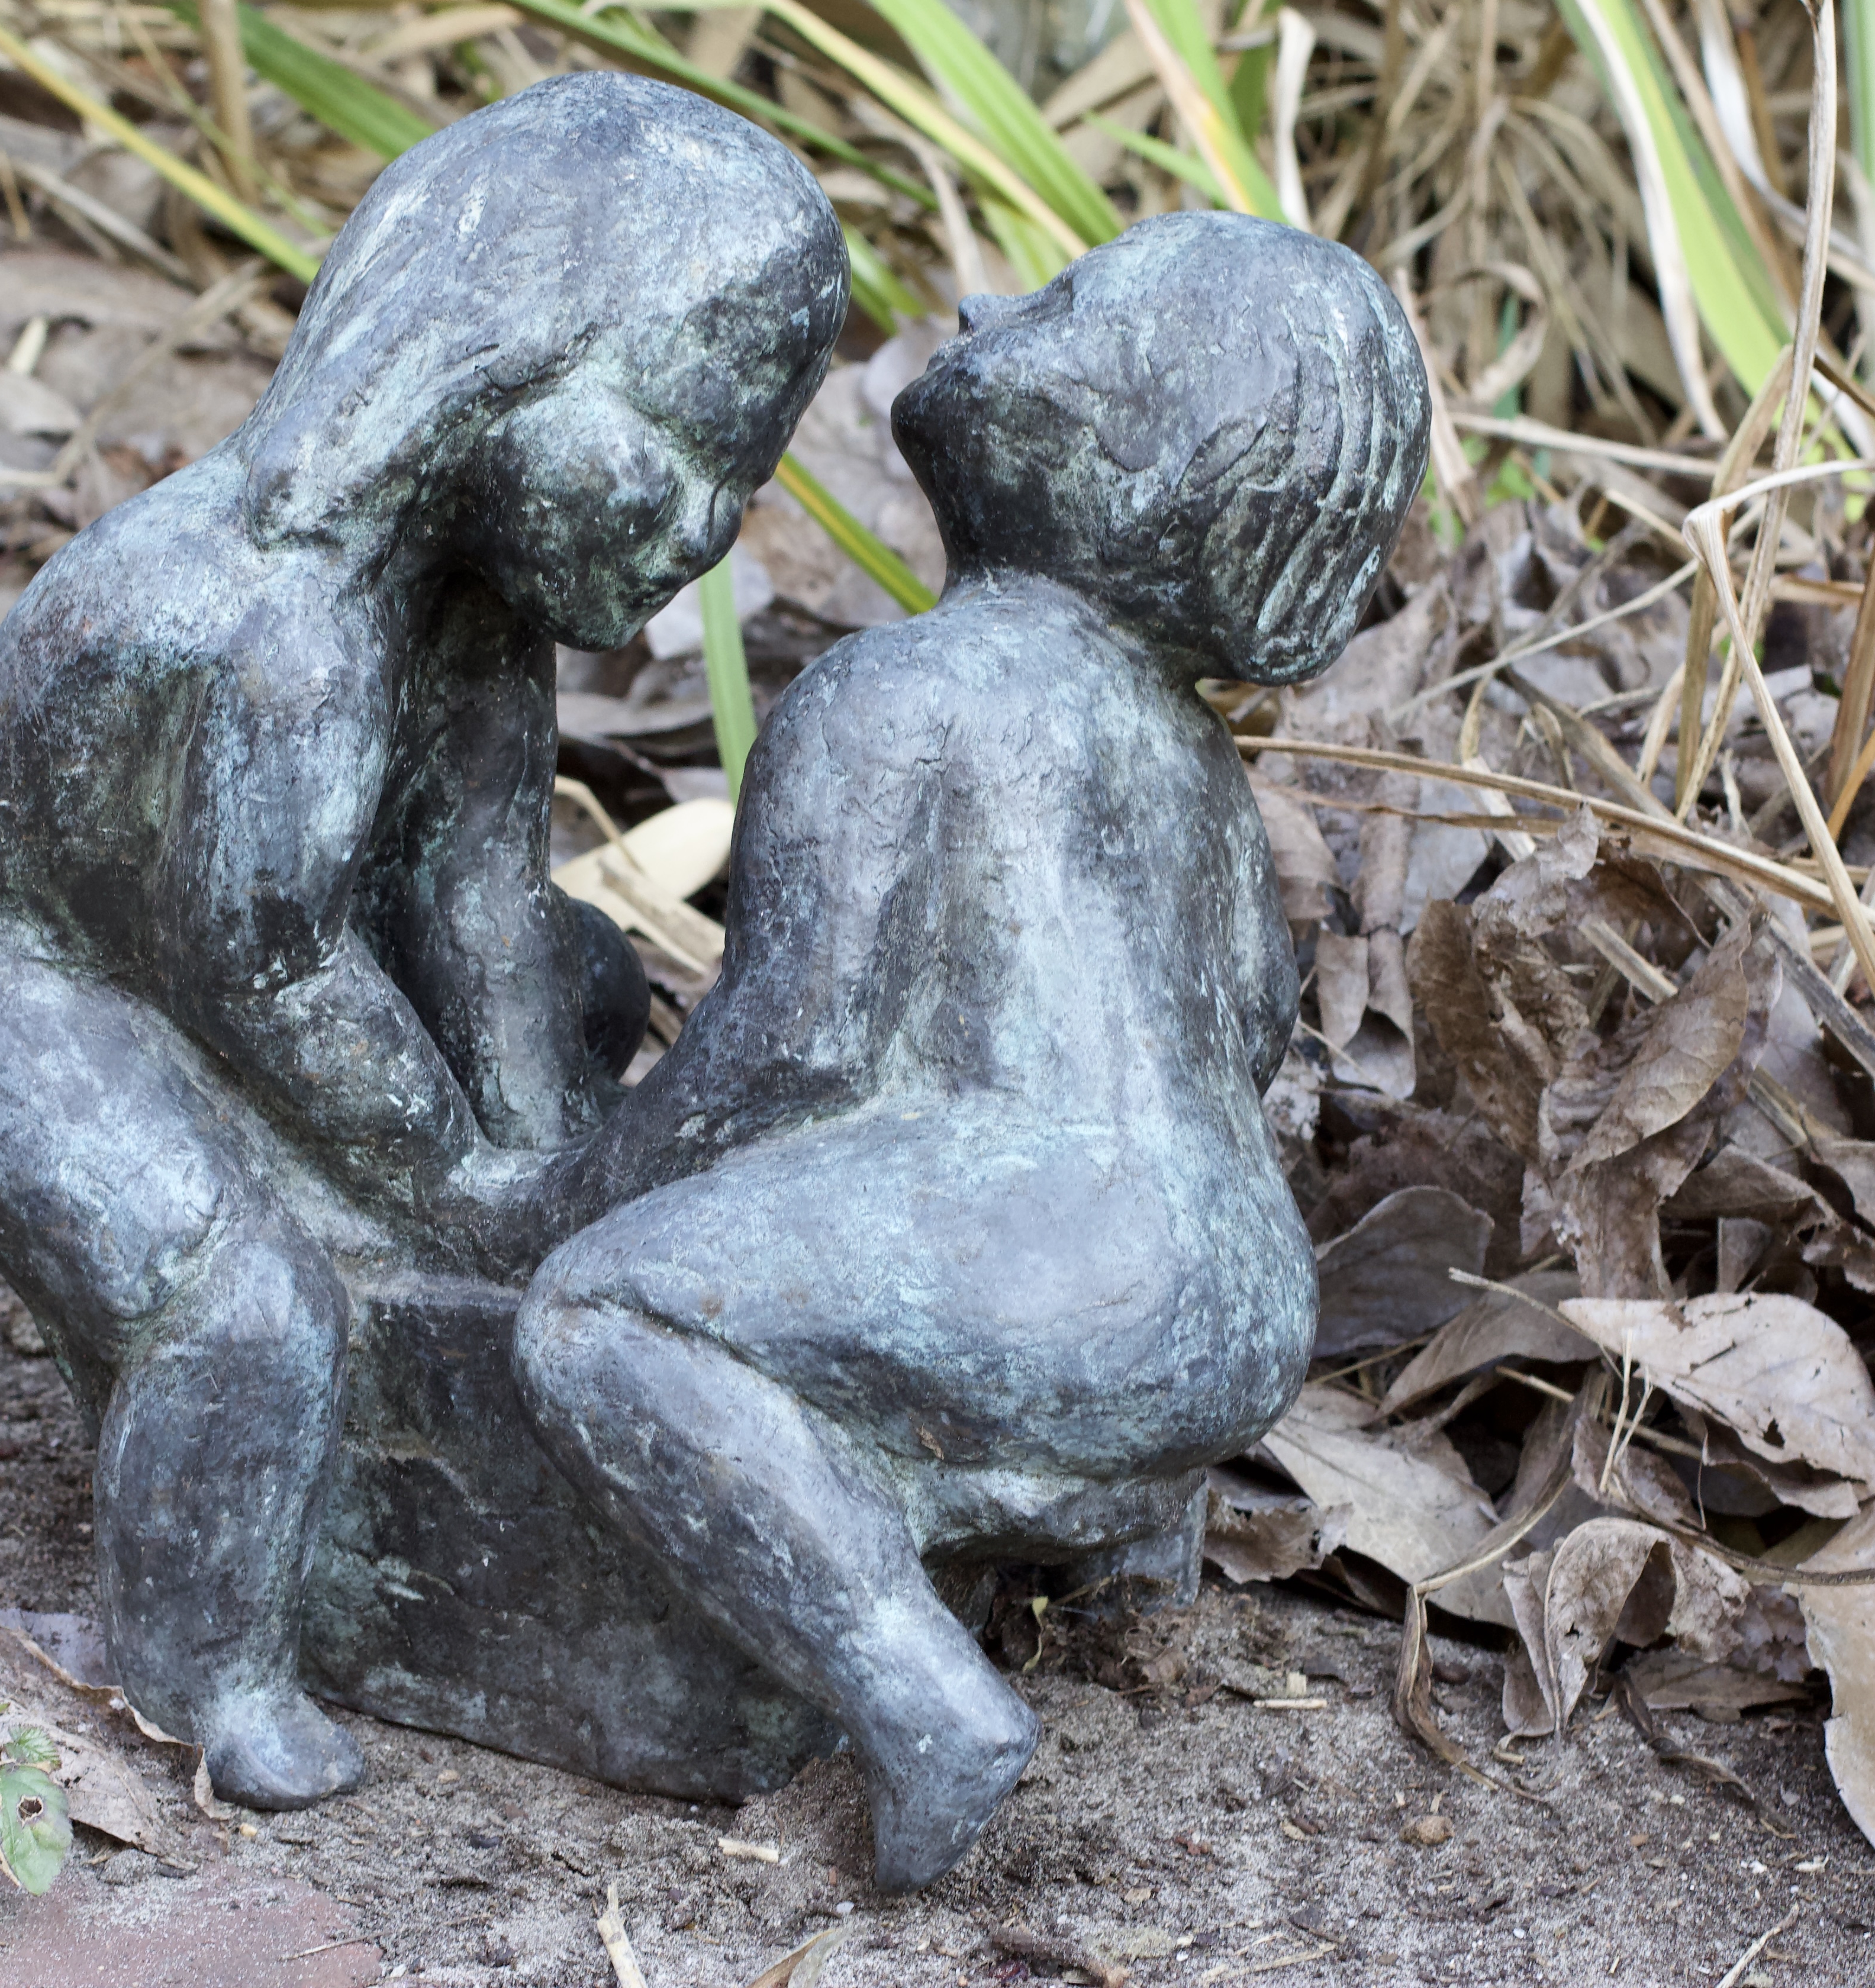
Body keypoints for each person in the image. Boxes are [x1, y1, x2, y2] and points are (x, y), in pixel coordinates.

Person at [0, 73, 849, 1809]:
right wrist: (466, 1188)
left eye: (742, 482)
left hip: (210, 950)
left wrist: (548, 1176)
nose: (708, 529)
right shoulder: (264, 624)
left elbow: (474, 901)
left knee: (584, 978)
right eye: (684, 450)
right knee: (240, 1310)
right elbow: (274, 974)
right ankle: (197, 1665)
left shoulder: (478, 617)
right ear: (496, 365)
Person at [512, 212, 1431, 1887]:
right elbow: (1245, 1033)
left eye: (1061, 307)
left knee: (607, 1318)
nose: (982, 300)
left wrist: (579, 1191)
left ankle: (917, 1698)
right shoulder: (1199, 773)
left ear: (1145, 462)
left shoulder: (900, 694)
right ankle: (1132, 1577)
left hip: (1062, 1276)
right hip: (1236, 1293)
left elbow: (788, 1056)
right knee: (1000, 1268)